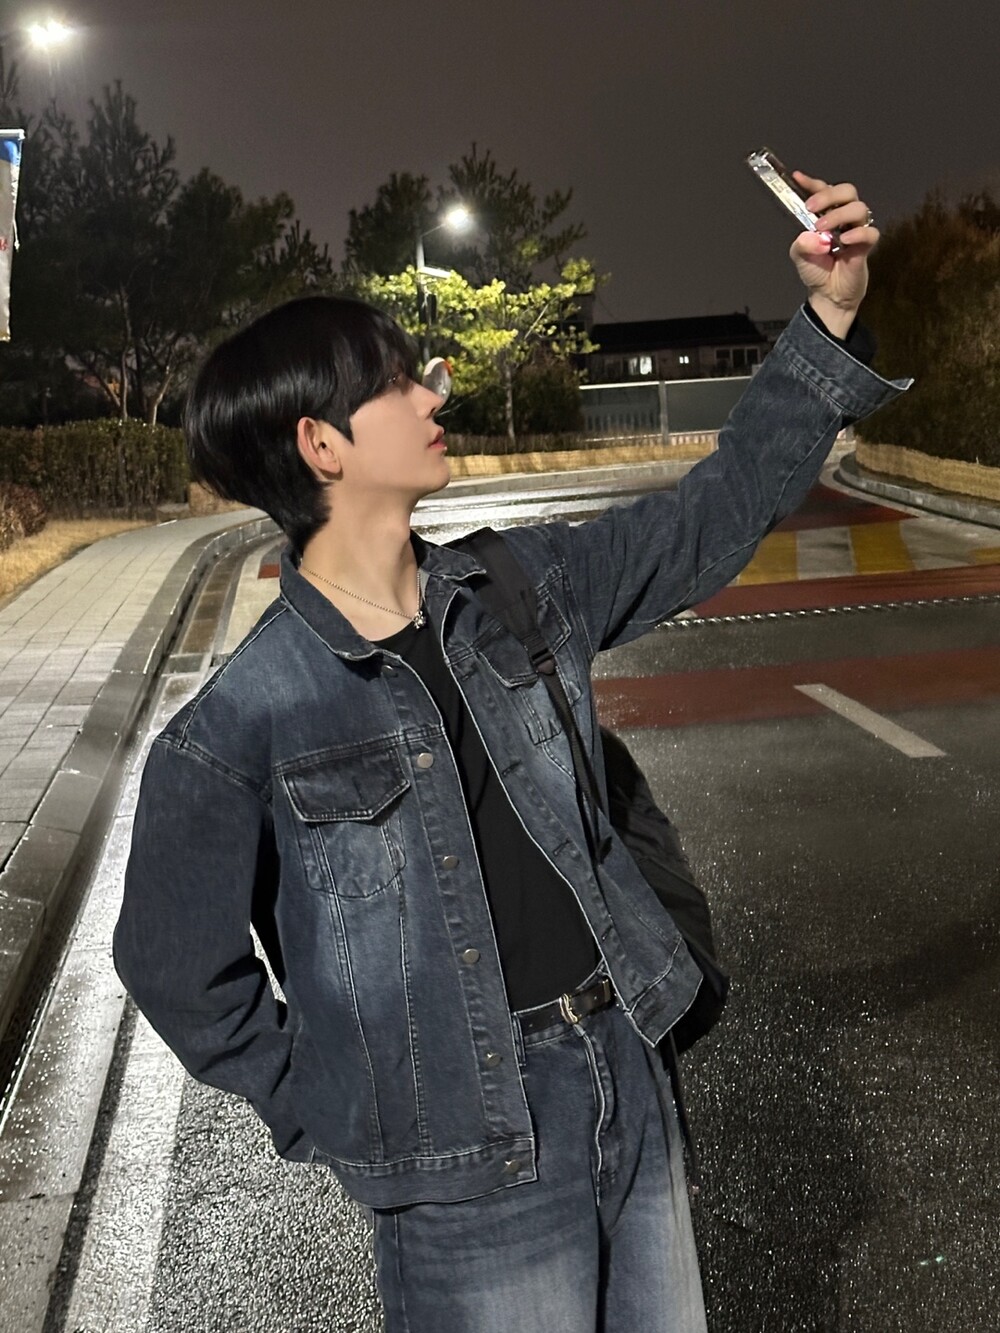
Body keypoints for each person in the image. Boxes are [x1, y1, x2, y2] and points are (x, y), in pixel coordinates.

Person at [114, 171, 906, 1332]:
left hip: (624, 1065)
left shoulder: (519, 588)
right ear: (320, 443)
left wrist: (828, 317)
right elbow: (175, 966)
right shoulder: (240, 722)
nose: (428, 388)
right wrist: (337, 1106)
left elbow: (711, 513)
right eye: (393, 380)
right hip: (460, 1162)